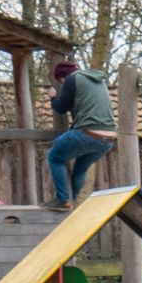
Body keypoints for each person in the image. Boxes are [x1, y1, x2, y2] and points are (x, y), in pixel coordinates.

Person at [45, 60, 116, 211]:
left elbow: (61, 107)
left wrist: (53, 97)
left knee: (54, 156)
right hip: (108, 139)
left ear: (62, 77)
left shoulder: (72, 79)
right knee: (80, 169)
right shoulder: (96, 80)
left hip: (89, 134)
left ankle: (63, 200)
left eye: (61, 82)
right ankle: (72, 200)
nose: (63, 85)